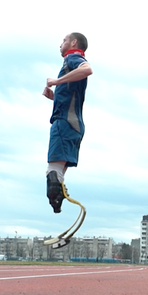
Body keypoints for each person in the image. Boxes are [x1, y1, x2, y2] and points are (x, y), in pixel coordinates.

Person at [42, 32, 92, 213]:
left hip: (64, 123)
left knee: (53, 173)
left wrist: (56, 81)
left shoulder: (73, 58)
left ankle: (57, 201)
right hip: (73, 124)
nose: (60, 44)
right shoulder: (71, 63)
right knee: (57, 176)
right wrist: (54, 97)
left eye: (63, 40)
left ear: (73, 42)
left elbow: (87, 69)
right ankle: (58, 205)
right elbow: (71, 98)